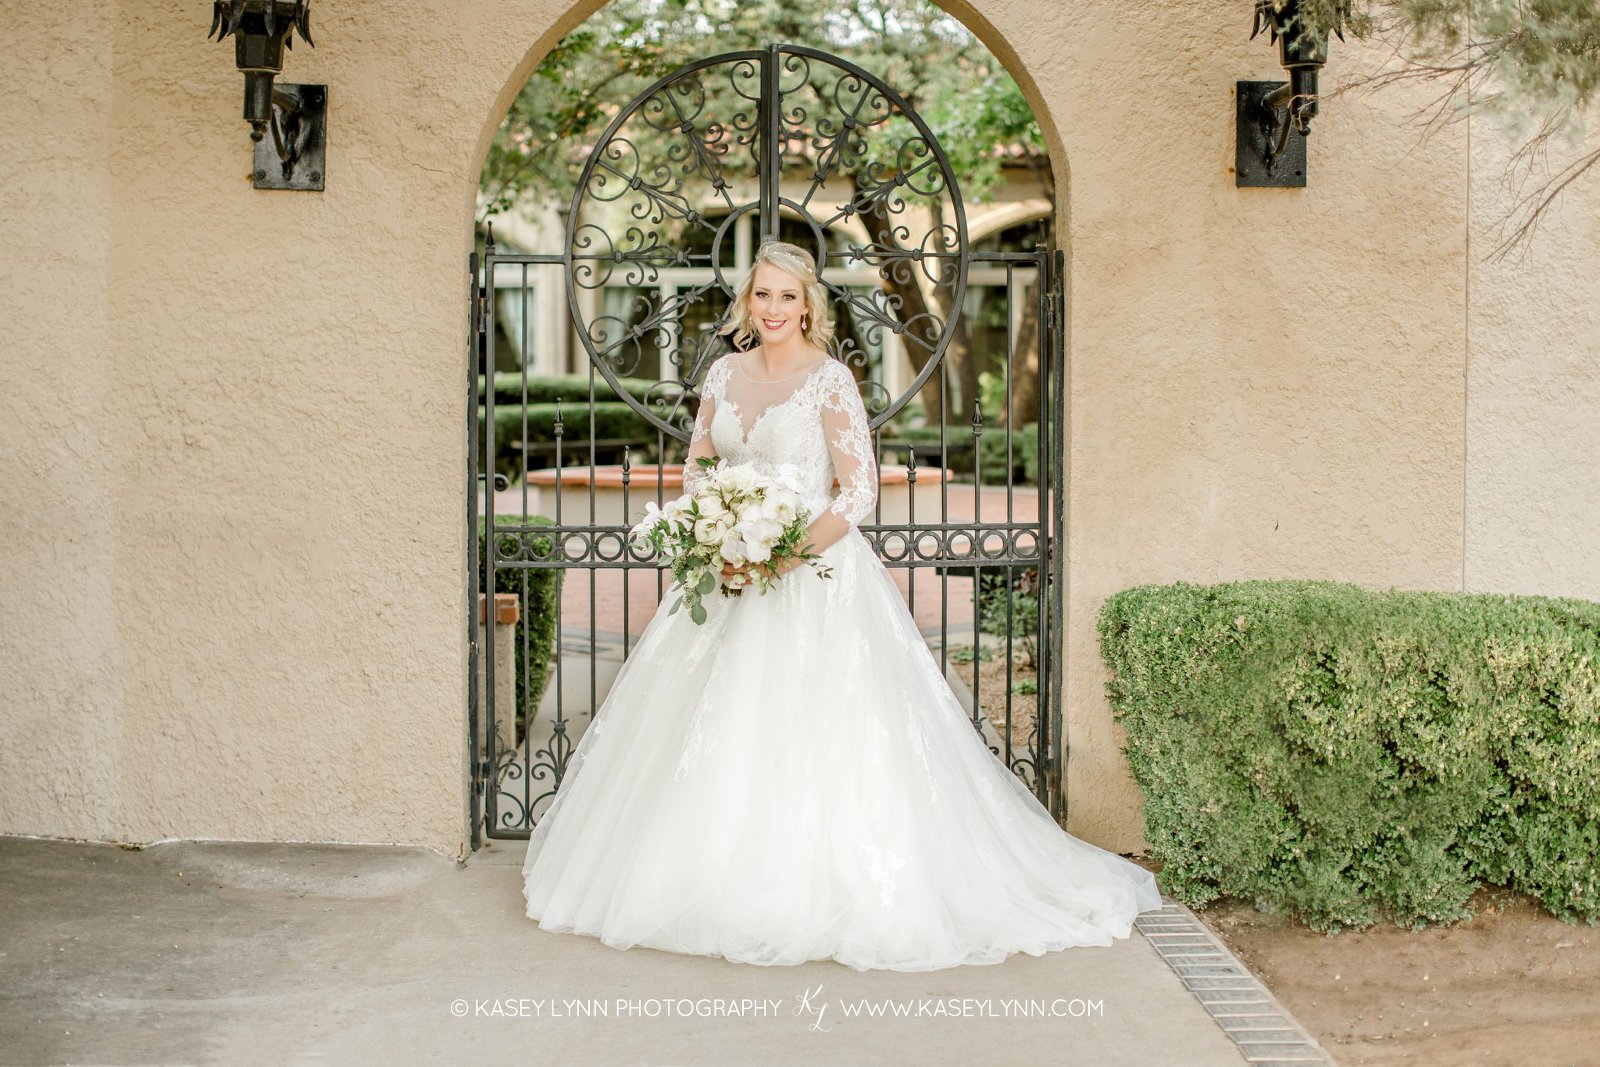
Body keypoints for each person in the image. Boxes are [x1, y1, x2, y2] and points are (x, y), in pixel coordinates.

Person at [521, 239, 1163, 971]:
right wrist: (715, 525)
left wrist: (783, 551)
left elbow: (858, 492)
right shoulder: (724, 373)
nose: (772, 310)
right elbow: (701, 458)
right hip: (727, 571)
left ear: (808, 304)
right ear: (746, 300)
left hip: (812, 575)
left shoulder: (830, 380)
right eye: (761, 295)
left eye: (786, 297)